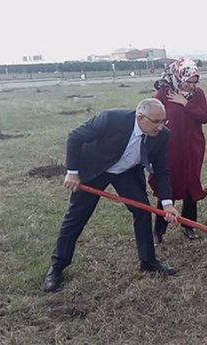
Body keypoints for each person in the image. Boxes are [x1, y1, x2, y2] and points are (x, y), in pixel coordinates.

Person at [44, 99, 179, 292]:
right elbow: (75, 137)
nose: (161, 126)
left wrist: (167, 204)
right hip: (96, 168)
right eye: (156, 121)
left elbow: (162, 170)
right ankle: (57, 266)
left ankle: (148, 261)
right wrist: (72, 172)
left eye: (164, 121)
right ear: (140, 118)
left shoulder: (162, 135)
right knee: (76, 217)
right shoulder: (111, 119)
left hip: (126, 172)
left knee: (142, 211)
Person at [149, 58, 207, 242]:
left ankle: (189, 227)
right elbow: (153, 116)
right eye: (188, 81)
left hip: (193, 148)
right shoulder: (163, 93)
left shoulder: (198, 95)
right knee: (167, 187)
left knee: (191, 186)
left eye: (194, 81)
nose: (192, 86)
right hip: (170, 149)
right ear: (178, 75)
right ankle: (159, 231)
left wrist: (185, 103)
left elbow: (204, 117)